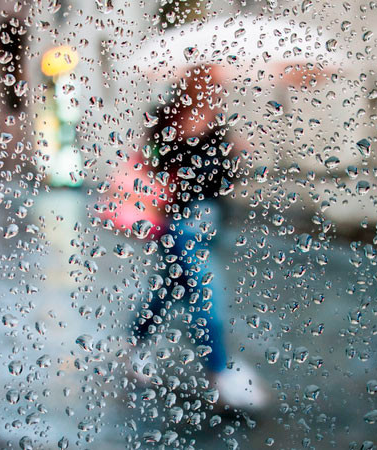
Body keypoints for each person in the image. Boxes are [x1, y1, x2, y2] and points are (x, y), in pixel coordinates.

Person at [129, 65, 268, 410]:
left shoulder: (218, 124)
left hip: (212, 219)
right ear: (194, 84)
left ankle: (136, 342)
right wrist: (173, 148)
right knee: (205, 291)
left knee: (168, 288)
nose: (218, 90)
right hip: (180, 222)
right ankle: (219, 370)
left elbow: (225, 181)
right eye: (213, 83)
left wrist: (236, 155)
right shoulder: (167, 118)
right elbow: (150, 162)